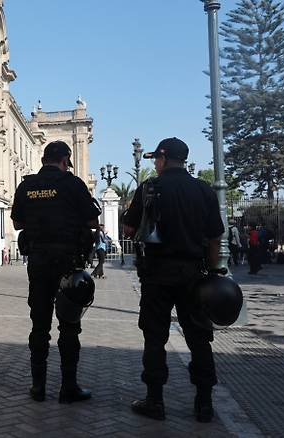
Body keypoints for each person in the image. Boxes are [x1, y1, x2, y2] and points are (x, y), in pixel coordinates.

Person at [122, 137, 224, 423]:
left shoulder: (150, 187)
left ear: (164, 158)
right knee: (199, 339)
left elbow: (129, 228)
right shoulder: (203, 190)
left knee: (155, 338)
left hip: (157, 275)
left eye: (156, 159)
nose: (154, 163)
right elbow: (215, 237)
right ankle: (204, 403)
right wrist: (214, 273)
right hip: (194, 275)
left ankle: (155, 401)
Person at [11, 140, 100, 404]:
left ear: (43, 160)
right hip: (68, 264)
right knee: (69, 326)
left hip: (38, 263)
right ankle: (68, 387)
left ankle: (38, 387)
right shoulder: (72, 184)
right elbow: (93, 221)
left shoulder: (26, 185)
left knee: (39, 326)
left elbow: (17, 222)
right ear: (64, 161)